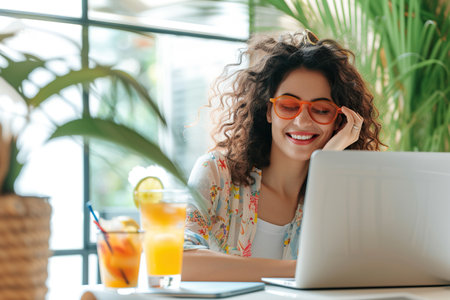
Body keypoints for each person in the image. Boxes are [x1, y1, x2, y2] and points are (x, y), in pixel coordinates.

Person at [181, 30, 384, 282]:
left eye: (321, 110)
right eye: (288, 106)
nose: (302, 120)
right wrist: (298, 270)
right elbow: (179, 261)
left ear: (339, 121)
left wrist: (327, 162)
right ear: (269, 112)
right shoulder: (217, 172)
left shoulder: (338, 194)